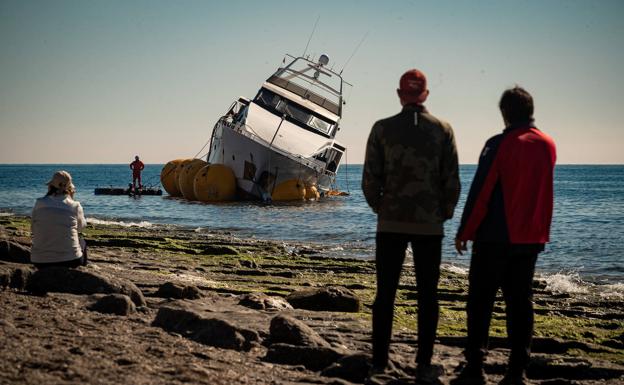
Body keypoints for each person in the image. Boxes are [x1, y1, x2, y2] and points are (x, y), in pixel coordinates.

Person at [452, 87, 556, 385]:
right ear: (530, 110)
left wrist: (465, 231)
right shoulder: (548, 144)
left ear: (505, 113)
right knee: (521, 304)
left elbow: (482, 190)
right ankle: (517, 370)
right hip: (531, 238)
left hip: (495, 236)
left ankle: (475, 368)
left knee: (480, 302)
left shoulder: (499, 144)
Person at [362, 69, 460, 383]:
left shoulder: (382, 129)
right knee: (428, 295)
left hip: (389, 223)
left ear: (400, 95)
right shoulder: (443, 130)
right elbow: (452, 182)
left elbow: (369, 180)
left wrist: (382, 207)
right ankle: (423, 363)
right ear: (425, 95)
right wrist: (442, 213)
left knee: (385, 294)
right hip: (429, 227)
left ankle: (379, 363)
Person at [31, 170, 88, 268]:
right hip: (70, 260)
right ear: (69, 187)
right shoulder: (75, 205)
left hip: (39, 261)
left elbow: (33, 229)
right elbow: (81, 228)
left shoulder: (39, 203)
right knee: (82, 242)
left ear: (51, 185)